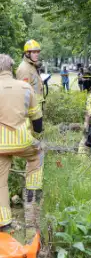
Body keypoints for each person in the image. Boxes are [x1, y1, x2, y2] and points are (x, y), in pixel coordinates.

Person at [0, 54, 44, 240]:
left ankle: (4, 222)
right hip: (23, 141)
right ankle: (31, 195)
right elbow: (37, 121)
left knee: (0, 182)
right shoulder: (26, 87)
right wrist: (36, 135)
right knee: (37, 153)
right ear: (11, 68)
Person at [16, 40, 45, 109]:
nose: (37, 54)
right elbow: (23, 95)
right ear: (27, 53)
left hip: (36, 108)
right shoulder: (24, 69)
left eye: (38, 52)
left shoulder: (32, 66)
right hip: (31, 111)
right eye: (34, 52)